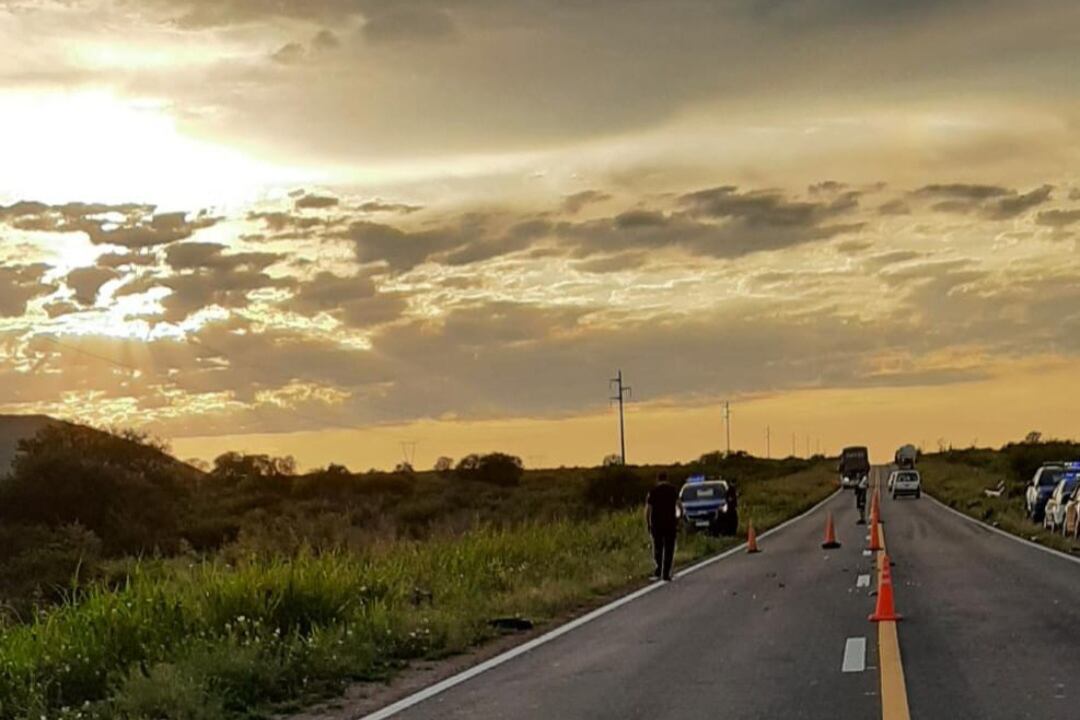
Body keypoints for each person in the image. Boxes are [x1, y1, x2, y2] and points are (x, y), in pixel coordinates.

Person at [645, 472, 678, 581]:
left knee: (658, 547)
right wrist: (679, 518)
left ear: (658, 479)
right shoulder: (673, 490)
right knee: (669, 549)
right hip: (670, 524)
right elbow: (680, 506)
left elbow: (648, 509)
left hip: (657, 524)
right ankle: (666, 573)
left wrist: (648, 523)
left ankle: (659, 568)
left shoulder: (653, 492)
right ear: (667, 478)